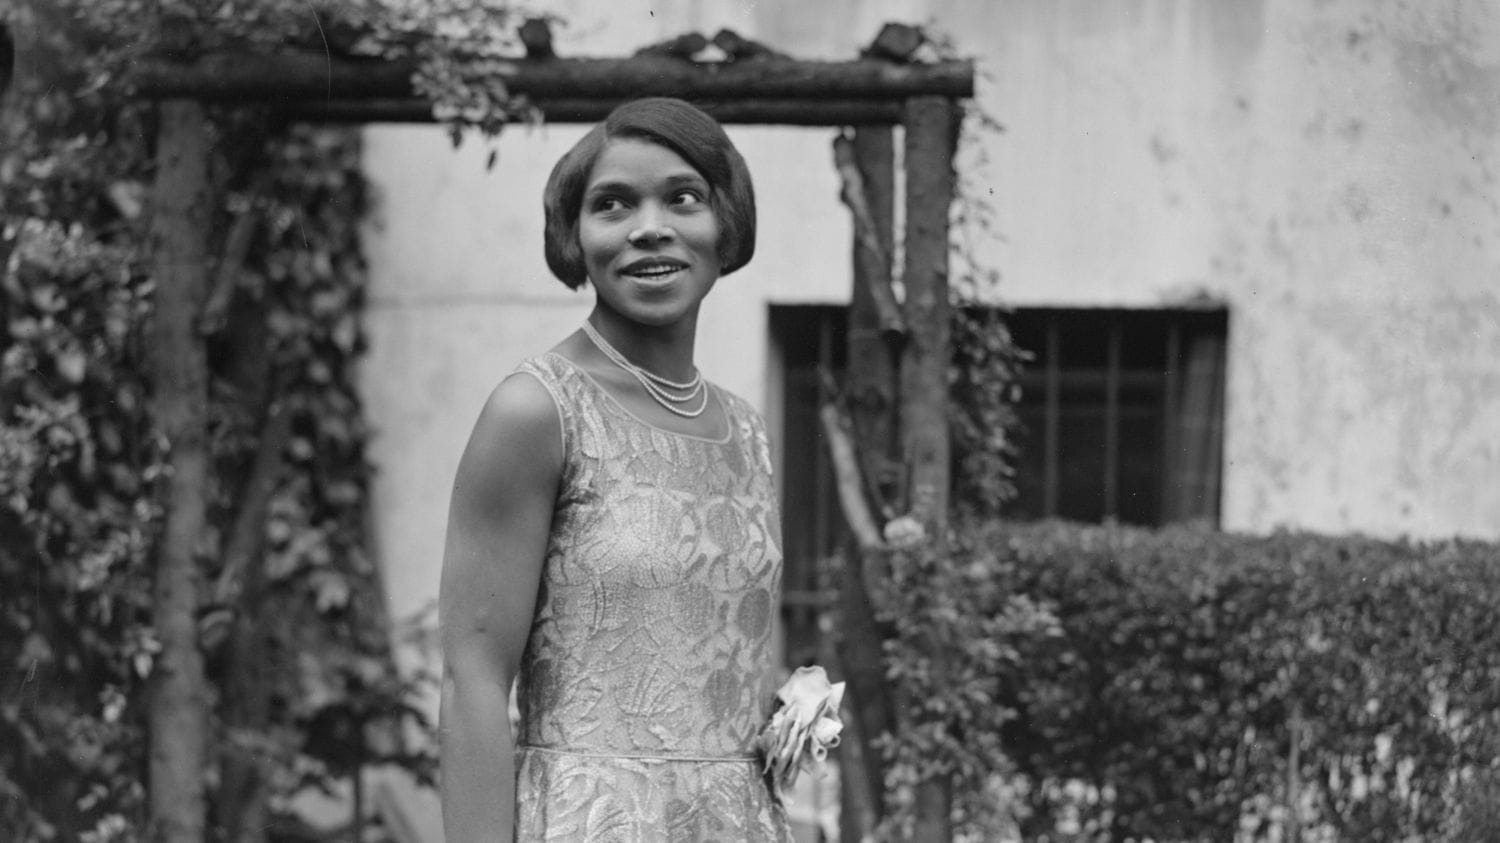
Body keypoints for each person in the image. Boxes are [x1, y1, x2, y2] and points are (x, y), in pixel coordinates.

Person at [438, 97, 792, 842]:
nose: (650, 226)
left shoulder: (747, 431)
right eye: (613, 204)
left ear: (728, 223)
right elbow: (473, 680)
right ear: (576, 237)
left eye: (683, 197)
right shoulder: (536, 411)